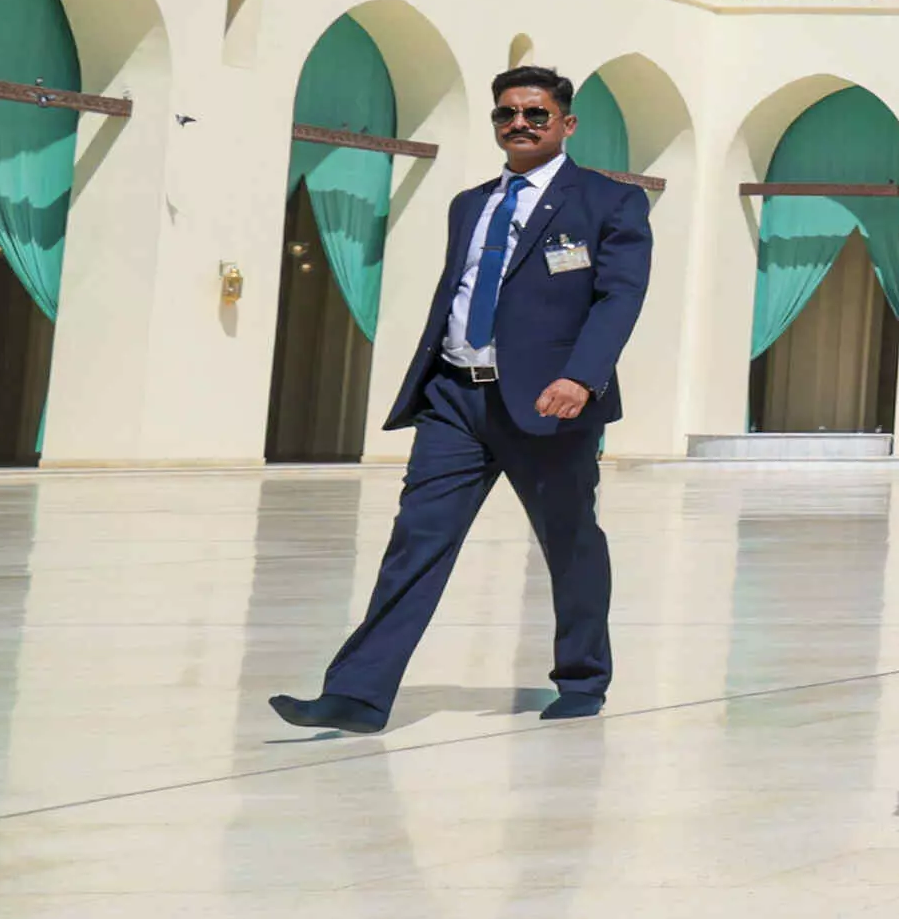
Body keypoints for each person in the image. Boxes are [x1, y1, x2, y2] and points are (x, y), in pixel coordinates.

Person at [271, 66, 649, 733]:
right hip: (455, 398)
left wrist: (582, 376)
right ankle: (358, 694)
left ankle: (584, 678)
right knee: (416, 541)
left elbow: (619, 296)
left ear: (566, 122)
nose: (520, 124)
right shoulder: (470, 203)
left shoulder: (608, 202)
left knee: (569, 543)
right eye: (507, 114)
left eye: (535, 113)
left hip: (550, 404)